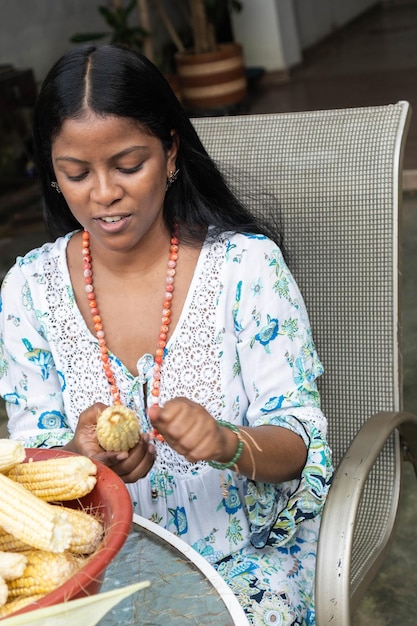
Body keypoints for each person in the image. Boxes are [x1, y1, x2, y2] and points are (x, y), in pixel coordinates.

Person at [0, 44, 333, 625]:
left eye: (129, 165)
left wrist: (230, 443)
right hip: (96, 566)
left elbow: (300, 439)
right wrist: (80, 457)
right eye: (75, 173)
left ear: (172, 151)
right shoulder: (28, 289)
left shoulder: (247, 269)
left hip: (247, 560)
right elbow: (33, 463)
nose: (103, 193)